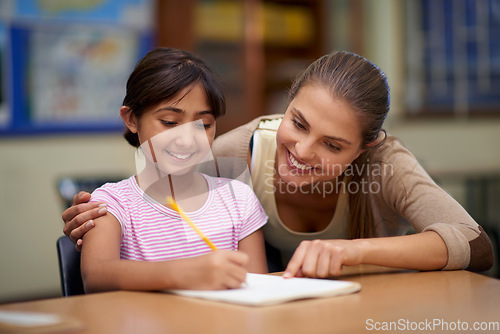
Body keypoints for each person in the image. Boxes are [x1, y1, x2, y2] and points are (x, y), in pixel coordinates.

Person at [63, 50, 494, 279]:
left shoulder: (386, 163)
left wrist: (350, 250)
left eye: (333, 145)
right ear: (285, 107)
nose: (304, 151)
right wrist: (94, 213)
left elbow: (476, 246)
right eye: (298, 123)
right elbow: (161, 178)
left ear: (364, 148)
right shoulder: (238, 154)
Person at [79, 47, 268, 293]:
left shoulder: (239, 199)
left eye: (204, 125)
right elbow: (96, 276)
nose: (187, 140)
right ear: (132, 119)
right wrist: (184, 273)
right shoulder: (112, 203)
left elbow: (259, 290)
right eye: (169, 122)